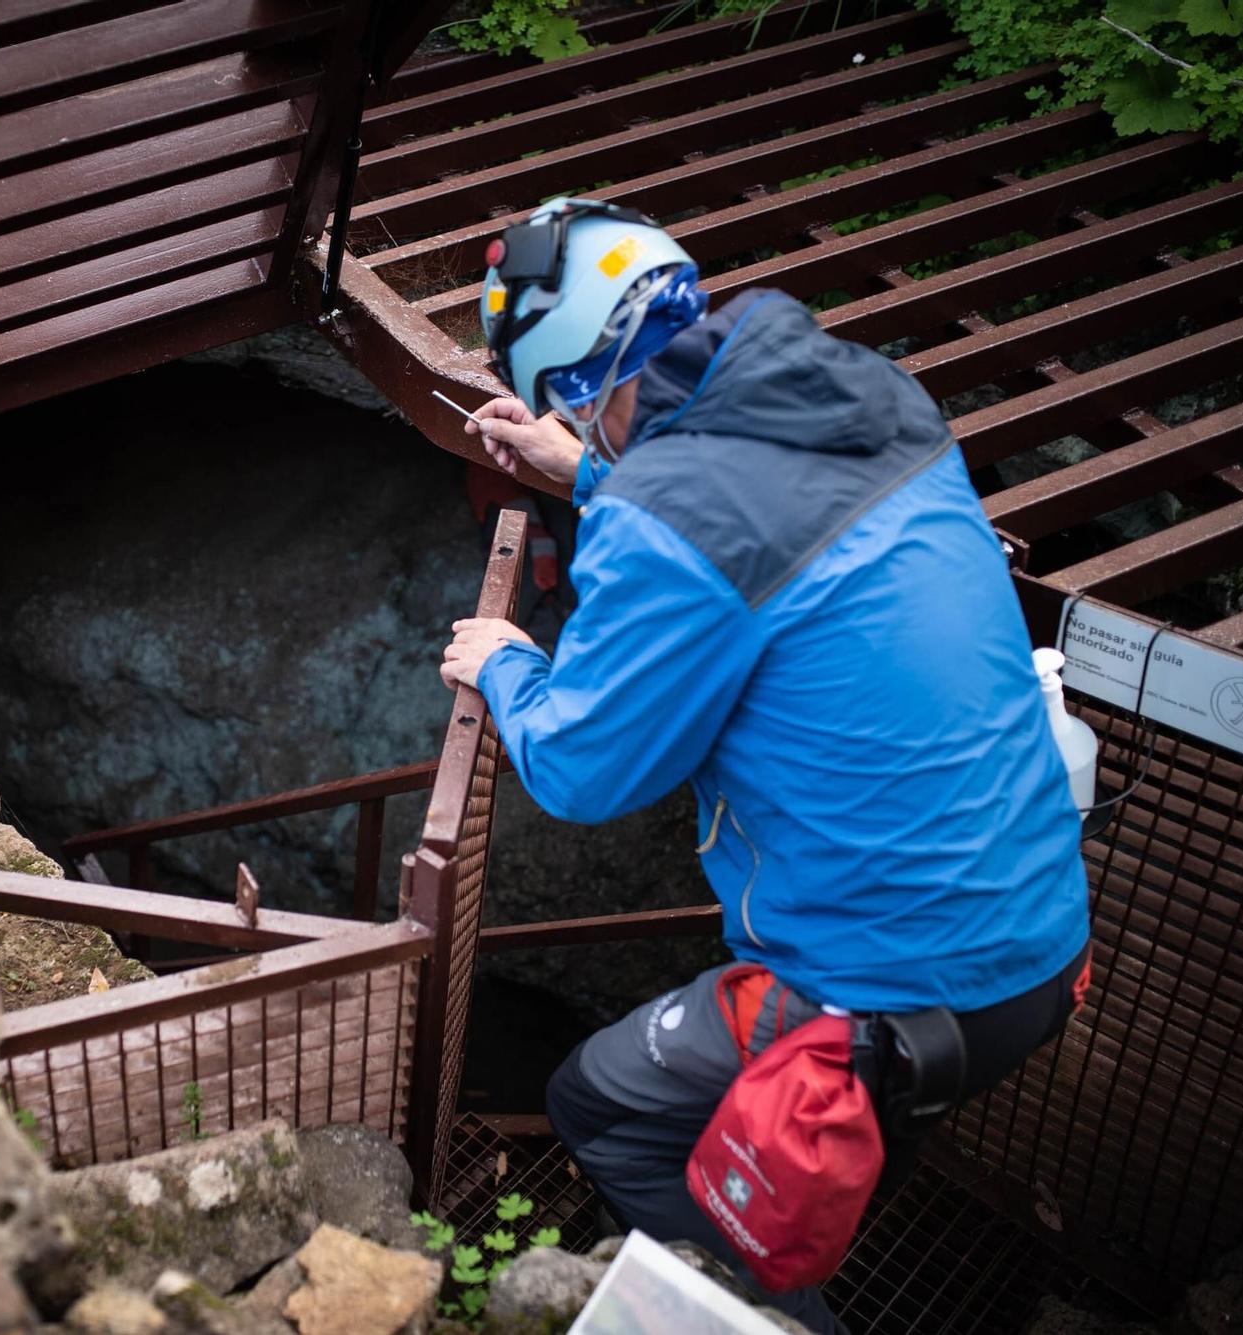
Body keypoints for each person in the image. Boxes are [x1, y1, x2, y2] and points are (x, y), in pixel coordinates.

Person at [436, 199, 1091, 1333]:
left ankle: (768, 1316)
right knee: (835, 1155)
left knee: (603, 1107)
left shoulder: (662, 522)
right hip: (1032, 951)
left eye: (568, 406)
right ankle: (792, 1247)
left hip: (872, 991)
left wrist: (503, 665)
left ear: (580, 385)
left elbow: (584, 768)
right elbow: (758, 526)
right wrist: (589, 477)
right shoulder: (873, 396)